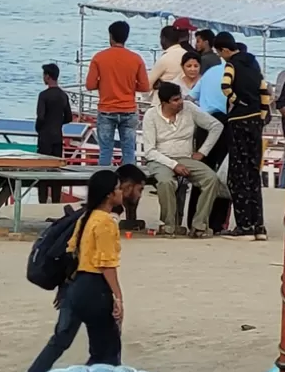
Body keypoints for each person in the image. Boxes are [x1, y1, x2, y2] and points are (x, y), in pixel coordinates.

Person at [24, 169, 125, 372]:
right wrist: (118, 297)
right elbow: (106, 264)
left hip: (77, 286)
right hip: (95, 288)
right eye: (117, 189)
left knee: (65, 340)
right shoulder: (106, 222)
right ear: (109, 195)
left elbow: (72, 252)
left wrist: (66, 290)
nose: (121, 192)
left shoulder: (84, 218)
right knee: (108, 352)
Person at [140, 81, 221, 236]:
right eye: (175, 100)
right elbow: (150, 151)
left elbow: (216, 126)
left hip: (186, 157)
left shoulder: (189, 109)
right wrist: (173, 164)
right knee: (166, 182)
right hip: (160, 158)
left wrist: (203, 152)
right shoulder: (151, 115)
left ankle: (199, 225)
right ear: (164, 103)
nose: (180, 103)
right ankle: (169, 225)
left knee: (211, 179)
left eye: (180, 98)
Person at [214, 31, 270, 238]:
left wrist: (237, 101)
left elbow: (225, 86)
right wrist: (262, 115)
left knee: (237, 175)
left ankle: (244, 224)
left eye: (220, 53)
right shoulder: (254, 65)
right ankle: (259, 225)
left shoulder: (231, 65)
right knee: (253, 172)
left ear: (225, 50)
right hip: (256, 120)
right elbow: (265, 91)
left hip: (238, 121)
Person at [86, 20, 148, 167]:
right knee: (128, 152)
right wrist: (130, 85)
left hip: (107, 110)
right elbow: (145, 86)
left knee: (105, 151)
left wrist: (104, 83)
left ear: (111, 36)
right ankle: (129, 184)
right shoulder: (136, 59)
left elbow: (90, 85)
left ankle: (105, 183)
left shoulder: (99, 58)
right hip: (128, 109)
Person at [35, 64, 73, 206]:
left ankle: (42, 201)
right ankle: (56, 200)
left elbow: (40, 117)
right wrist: (58, 123)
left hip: (45, 137)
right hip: (57, 135)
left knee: (43, 170)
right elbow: (68, 117)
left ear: (47, 76)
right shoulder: (63, 95)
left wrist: (39, 128)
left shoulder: (43, 95)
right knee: (56, 170)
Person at [149, 25, 189, 97]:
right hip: (183, 96)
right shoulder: (186, 54)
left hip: (163, 100)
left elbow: (148, 84)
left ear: (163, 39)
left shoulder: (165, 58)